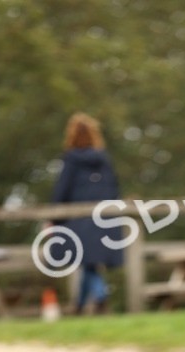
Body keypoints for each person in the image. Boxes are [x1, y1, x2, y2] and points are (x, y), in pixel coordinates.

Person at [50, 113, 122, 313]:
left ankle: (99, 296)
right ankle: (80, 306)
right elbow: (114, 189)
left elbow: (62, 190)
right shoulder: (104, 160)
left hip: (79, 219)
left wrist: (54, 218)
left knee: (87, 263)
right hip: (105, 218)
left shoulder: (71, 160)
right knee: (89, 264)